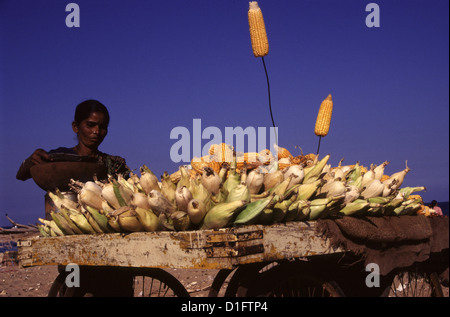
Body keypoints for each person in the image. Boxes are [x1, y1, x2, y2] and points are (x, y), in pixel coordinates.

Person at [16, 99, 129, 181]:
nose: (97, 131)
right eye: (90, 125)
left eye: (102, 127)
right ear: (75, 127)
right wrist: (31, 160)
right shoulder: (59, 158)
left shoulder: (115, 165)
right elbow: (21, 175)